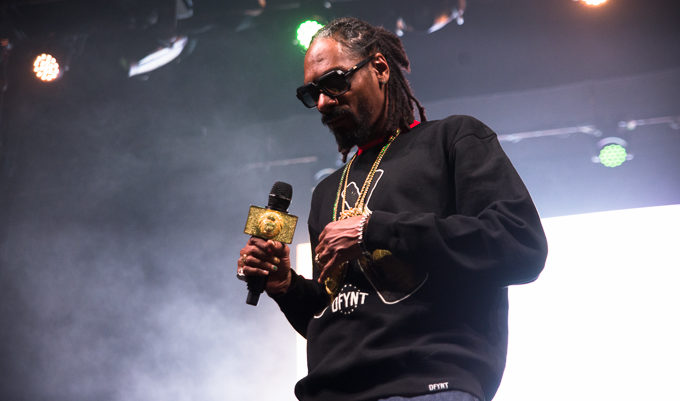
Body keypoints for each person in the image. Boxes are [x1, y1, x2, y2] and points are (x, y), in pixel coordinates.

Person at [237, 17, 548, 401]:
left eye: (333, 82)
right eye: (311, 93)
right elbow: (338, 317)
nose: (322, 102)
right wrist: (286, 286)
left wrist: (374, 231)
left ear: (380, 68)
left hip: (427, 387)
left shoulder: (453, 139)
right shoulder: (326, 192)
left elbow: (519, 245)